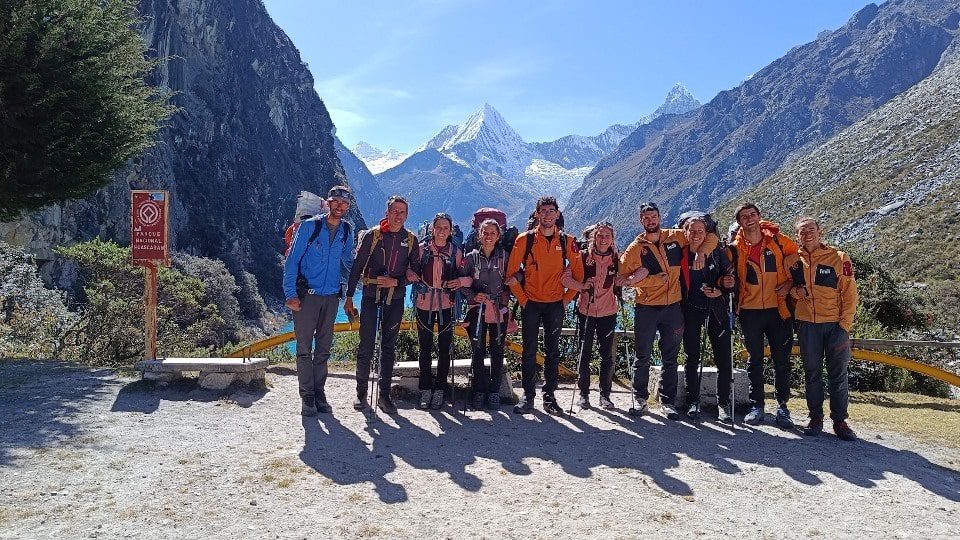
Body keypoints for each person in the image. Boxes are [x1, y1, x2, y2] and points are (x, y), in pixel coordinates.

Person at [619, 202, 717, 419]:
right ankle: (640, 399)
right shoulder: (635, 248)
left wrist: (701, 253)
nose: (650, 221)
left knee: (670, 357)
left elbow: (710, 237)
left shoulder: (675, 236)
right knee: (642, 355)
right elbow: (621, 279)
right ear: (641, 221)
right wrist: (652, 281)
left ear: (660, 217)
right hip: (646, 307)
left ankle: (667, 402)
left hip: (673, 307)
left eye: (653, 216)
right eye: (646, 218)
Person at [506, 196, 584, 415]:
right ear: (537, 214)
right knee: (529, 351)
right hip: (531, 303)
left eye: (551, 211)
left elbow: (579, 275)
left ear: (557, 214)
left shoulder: (567, 241)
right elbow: (511, 273)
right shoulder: (525, 240)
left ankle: (549, 397)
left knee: (553, 352)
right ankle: (528, 397)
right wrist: (523, 300)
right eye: (543, 211)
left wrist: (566, 300)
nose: (548, 215)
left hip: (555, 304)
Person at [282, 185, 355, 416]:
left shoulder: (346, 230)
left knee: (323, 349)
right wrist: (290, 294)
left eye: (344, 203)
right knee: (304, 348)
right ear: (328, 202)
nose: (339, 206)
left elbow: (349, 261)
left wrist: (369, 273)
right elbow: (292, 261)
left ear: (348, 207)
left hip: (331, 297)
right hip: (307, 297)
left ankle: (319, 392)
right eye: (336, 201)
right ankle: (307, 396)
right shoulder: (309, 227)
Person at [346, 195, 420, 414]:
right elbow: (357, 267)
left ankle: (384, 396)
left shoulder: (411, 240)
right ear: (387, 212)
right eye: (394, 211)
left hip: (395, 299)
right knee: (366, 345)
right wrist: (349, 297)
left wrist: (396, 281)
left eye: (402, 212)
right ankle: (361, 394)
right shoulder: (373, 236)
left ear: (406, 216)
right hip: (370, 296)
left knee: (389, 347)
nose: (398, 216)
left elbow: (415, 273)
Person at [729, 202, 799, 427]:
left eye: (752, 214)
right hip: (749, 311)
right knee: (755, 359)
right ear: (739, 222)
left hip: (778, 309)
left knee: (782, 360)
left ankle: (783, 407)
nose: (749, 219)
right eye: (743, 216)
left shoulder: (779, 241)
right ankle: (756, 405)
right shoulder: (735, 248)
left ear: (759, 216)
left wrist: (789, 284)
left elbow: (801, 261)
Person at [790, 217, 859, 441]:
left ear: (820, 231)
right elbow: (785, 288)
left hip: (835, 326)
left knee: (838, 375)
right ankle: (815, 418)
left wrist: (844, 325)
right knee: (812, 374)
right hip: (807, 326)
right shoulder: (791, 260)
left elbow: (850, 294)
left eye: (811, 229)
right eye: (802, 231)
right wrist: (794, 293)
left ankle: (840, 421)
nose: (807, 234)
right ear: (797, 235)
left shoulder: (838, 258)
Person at [562, 221, 632, 410]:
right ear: (593, 237)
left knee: (606, 356)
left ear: (612, 239)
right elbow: (565, 278)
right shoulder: (583, 257)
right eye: (599, 236)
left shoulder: (618, 259)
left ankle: (605, 395)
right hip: (585, 311)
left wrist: (625, 281)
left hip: (608, 312)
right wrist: (582, 286)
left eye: (607, 236)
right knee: (584, 354)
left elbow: (632, 273)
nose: (603, 239)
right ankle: (583, 394)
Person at [408, 213, 471, 410]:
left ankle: (440, 389)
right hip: (424, 302)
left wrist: (460, 282)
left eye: (445, 228)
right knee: (425, 347)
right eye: (439, 227)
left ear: (450, 230)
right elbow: (409, 270)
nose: (442, 231)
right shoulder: (421, 249)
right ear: (432, 229)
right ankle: (426, 389)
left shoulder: (456, 252)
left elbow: (468, 277)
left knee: (445, 348)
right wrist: (411, 275)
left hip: (447, 304)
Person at [677, 216, 734, 422]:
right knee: (691, 357)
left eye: (701, 231)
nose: (696, 235)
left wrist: (720, 289)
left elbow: (731, 279)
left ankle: (724, 403)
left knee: (723, 358)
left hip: (716, 309)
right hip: (690, 310)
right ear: (685, 232)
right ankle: (693, 400)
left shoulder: (718, 253)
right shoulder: (681, 254)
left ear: (707, 233)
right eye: (691, 231)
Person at [461, 219, 511, 410]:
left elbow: (518, 275)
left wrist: (513, 282)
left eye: (492, 233)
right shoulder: (471, 258)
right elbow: (461, 284)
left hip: (498, 309)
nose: (489, 236)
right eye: (485, 233)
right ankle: (480, 390)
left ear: (498, 236)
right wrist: (474, 295)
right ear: (479, 236)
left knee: (497, 351)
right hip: (477, 310)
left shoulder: (505, 257)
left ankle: (494, 392)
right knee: (478, 350)